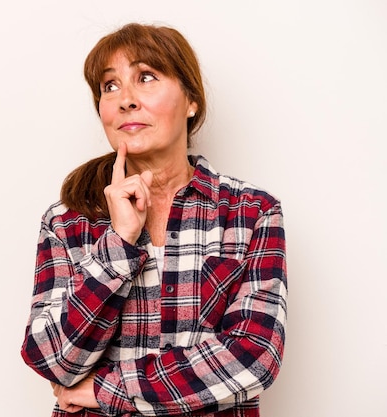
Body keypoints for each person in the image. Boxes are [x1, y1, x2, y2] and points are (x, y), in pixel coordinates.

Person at [20, 22, 287, 417]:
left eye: (146, 78)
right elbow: (51, 359)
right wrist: (119, 244)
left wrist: (108, 389)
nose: (125, 99)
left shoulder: (252, 213)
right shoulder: (67, 221)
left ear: (191, 100)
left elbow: (254, 355)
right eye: (110, 86)